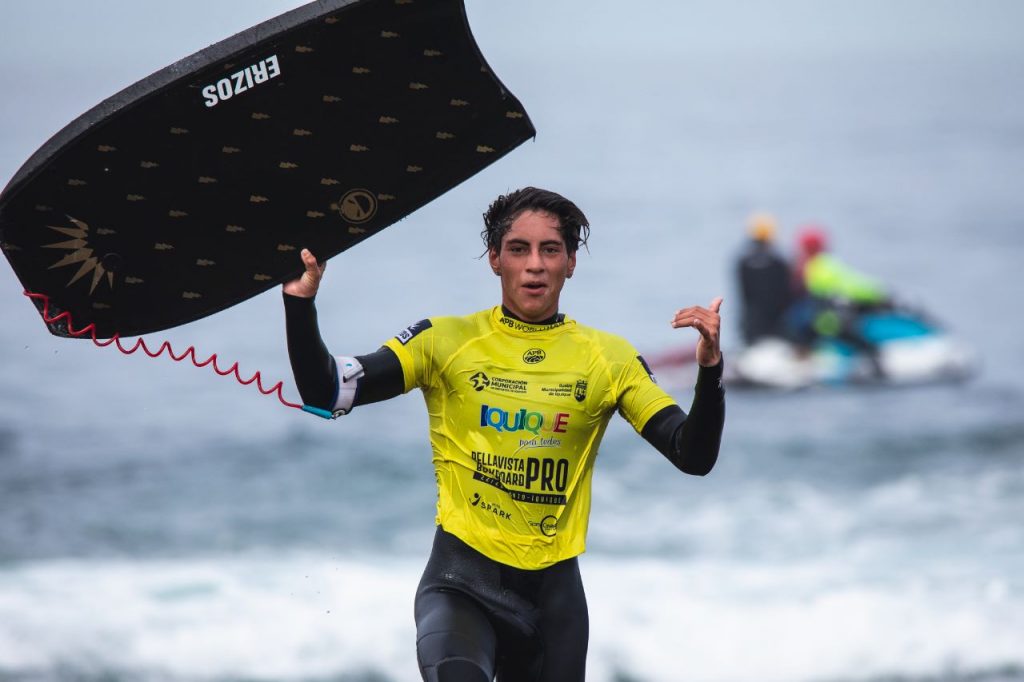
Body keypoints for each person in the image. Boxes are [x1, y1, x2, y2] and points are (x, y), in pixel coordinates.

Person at [282, 187, 725, 682]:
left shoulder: (609, 359)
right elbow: (326, 390)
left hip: (554, 610)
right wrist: (300, 304)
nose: (534, 265)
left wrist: (709, 371)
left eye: (550, 250)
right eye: (518, 249)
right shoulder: (444, 341)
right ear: (495, 259)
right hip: (460, 589)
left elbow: (693, 454)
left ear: (571, 262)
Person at [788, 224, 891, 367]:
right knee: (862, 343)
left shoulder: (804, 267)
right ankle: (877, 365)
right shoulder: (823, 266)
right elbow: (854, 285)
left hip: (815, 321)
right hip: (828, 322)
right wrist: (879, 294)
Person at [735, 212, 793, 345]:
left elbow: (744, 295)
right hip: (777, 326)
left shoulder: (743, 262)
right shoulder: (779, 262)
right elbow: (786, 294)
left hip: (751, 326)